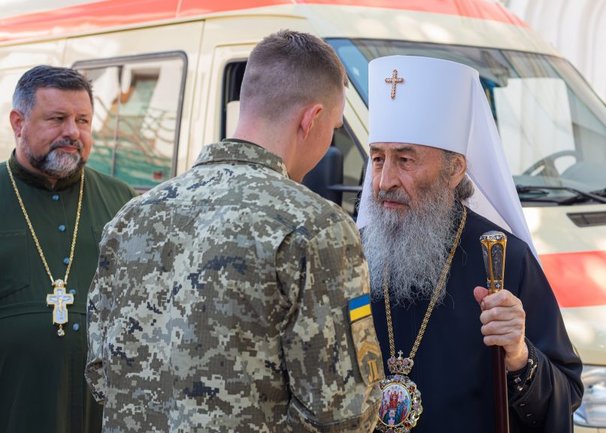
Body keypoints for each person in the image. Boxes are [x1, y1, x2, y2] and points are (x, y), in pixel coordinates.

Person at [85, 30, 383, 433]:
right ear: (311, 119)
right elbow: (344, 413)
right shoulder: (316, 227)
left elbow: (102, 374)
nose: (328, 139)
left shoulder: (130, 217)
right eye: (332, 127)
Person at [357, 55, 583, 433]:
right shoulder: (354, 255)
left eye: (406, 160)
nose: (383, 182)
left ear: (455, 168)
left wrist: (519, 354)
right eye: (378, 159)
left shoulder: (505, 260)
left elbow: (566, 392)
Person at [0, 65, 135, 433]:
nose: (72, 133)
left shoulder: (123, 201)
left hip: (101, 412)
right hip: (15, 406)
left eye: (83, 121)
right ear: (18, 122)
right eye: (57, 119)